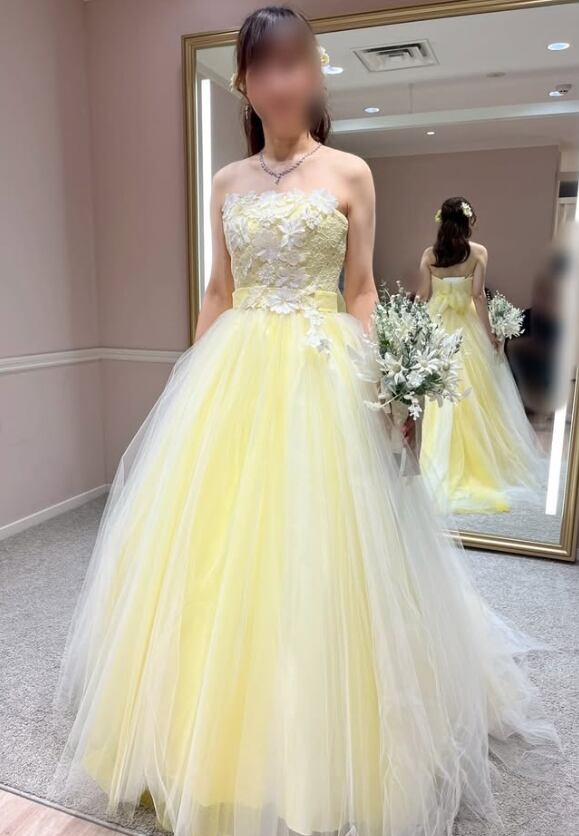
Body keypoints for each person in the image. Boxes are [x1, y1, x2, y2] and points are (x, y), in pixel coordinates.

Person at [47, 7, 563, 836]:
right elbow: (218, 291)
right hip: (237, 370)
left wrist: (382, 387)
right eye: (263, 67)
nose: (280, 81)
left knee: (325, 550)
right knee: (218, 552)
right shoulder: (227, 181)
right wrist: (189, 387)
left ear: (316, 74)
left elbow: (358, 290)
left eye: (294, 64)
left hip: (323, 372)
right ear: (244, 83)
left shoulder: (350, 172)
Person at [417, 197, 544, 514]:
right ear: (469, 221)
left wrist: (412, 329)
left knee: (433, 393)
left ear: (441, 221)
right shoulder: (478, 253)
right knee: (474, 393)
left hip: (435, 326)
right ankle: (480, 464)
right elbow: (477, 296)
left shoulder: (430, 255)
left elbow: (423, 296)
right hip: (466, 329)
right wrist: (489, 335)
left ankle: (429, 462)